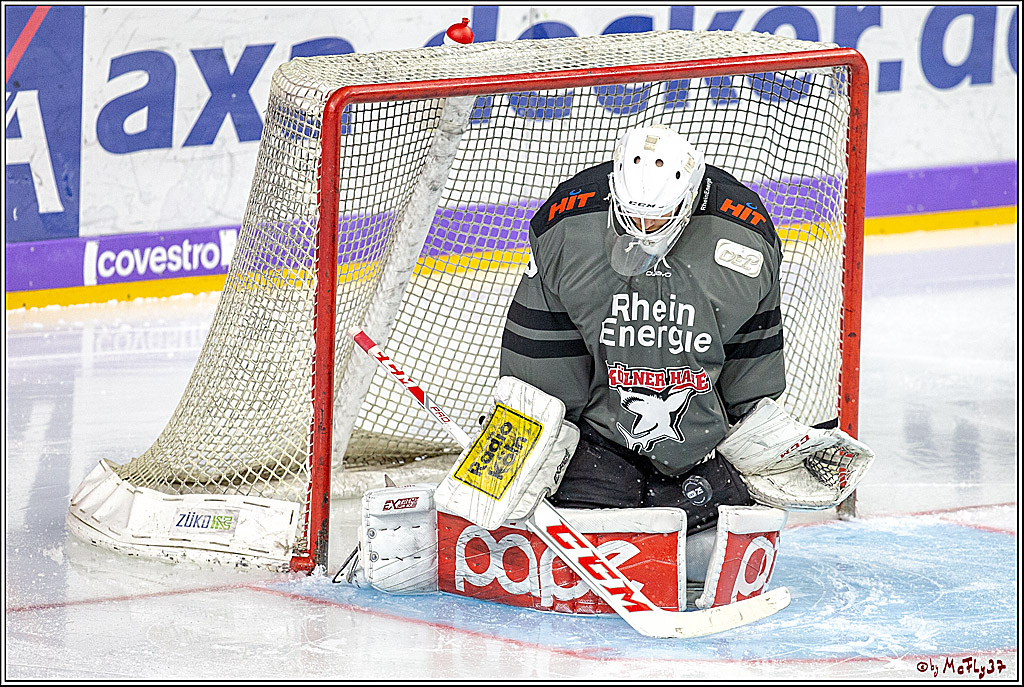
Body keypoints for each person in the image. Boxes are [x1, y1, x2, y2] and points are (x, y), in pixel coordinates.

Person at [498, 124, 787, 537]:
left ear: (687, 199)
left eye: (657, 215)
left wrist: (754, 433)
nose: (644, 226)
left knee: (707, 544)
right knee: (589, 524)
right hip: (596, 441)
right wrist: (534, 435)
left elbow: (752, 355)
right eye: (633, 213)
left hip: (701, 445)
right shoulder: (566, 228)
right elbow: (544, 353)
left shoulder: (743, 239)